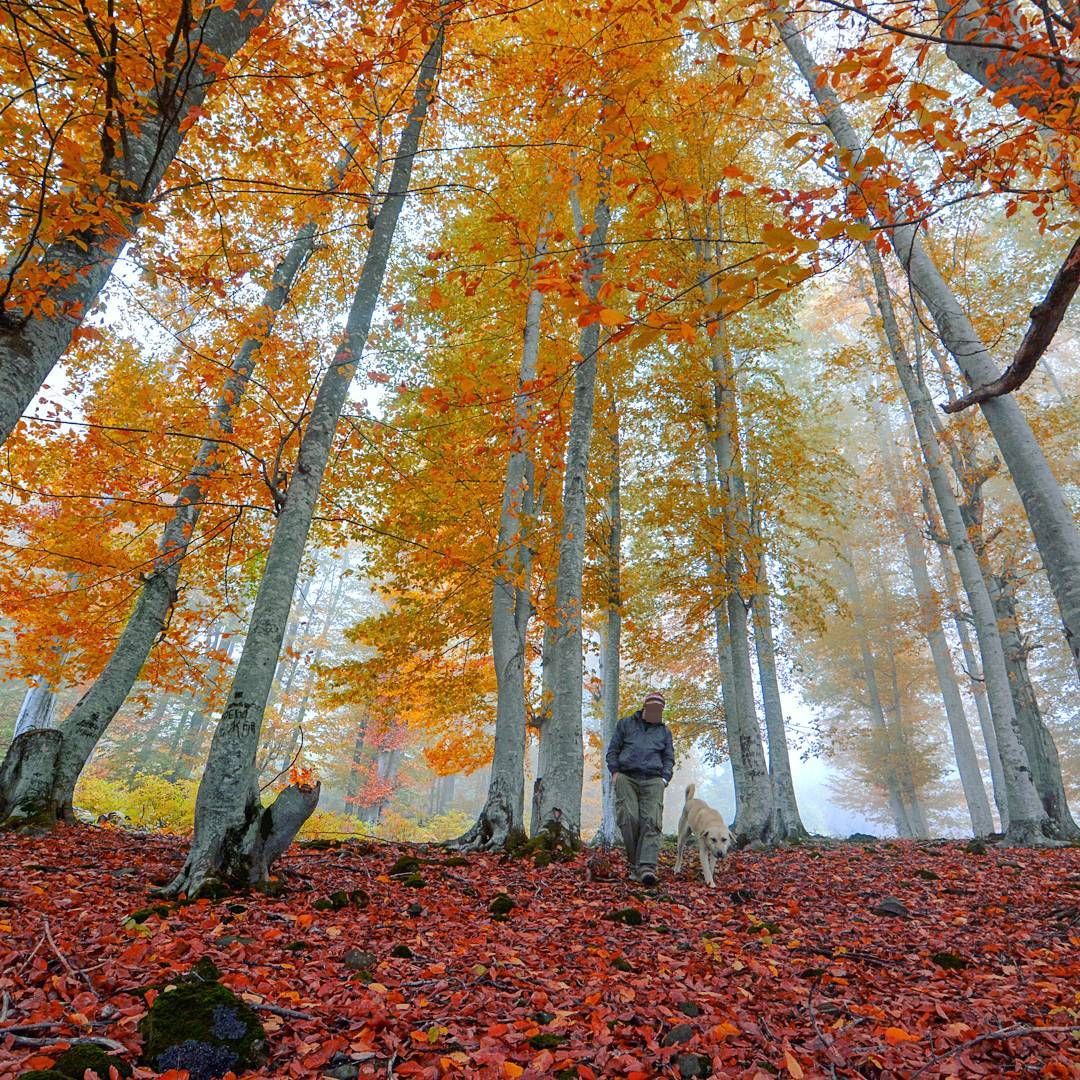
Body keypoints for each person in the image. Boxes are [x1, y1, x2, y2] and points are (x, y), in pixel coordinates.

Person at [605, 690, 674, 885]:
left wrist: (665, 778)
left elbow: (669, 757)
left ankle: (647, 868)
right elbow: (612, 750)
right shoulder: (625, 724)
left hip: (654, 779)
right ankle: (635, 864)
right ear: (645, 708)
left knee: (651, 820)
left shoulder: (664, 731)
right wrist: (615, 772)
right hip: (626, 777)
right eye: (653, 709)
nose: (655, 713)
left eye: (659, 710)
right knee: (628, 818)